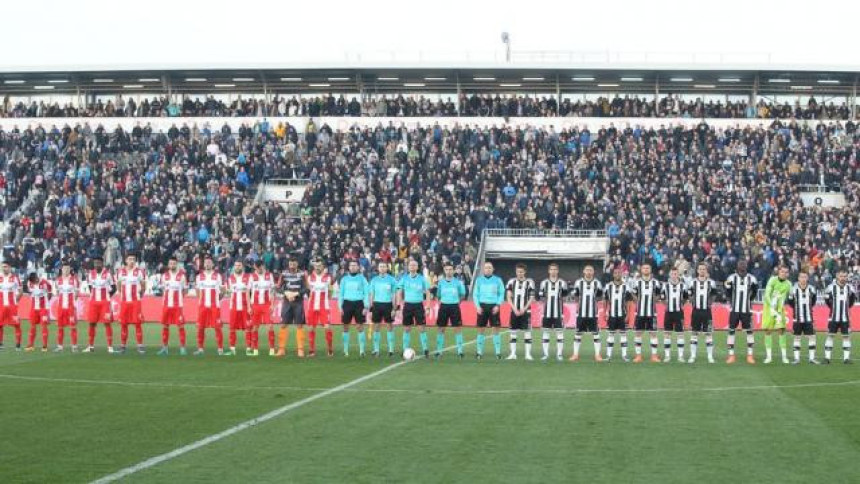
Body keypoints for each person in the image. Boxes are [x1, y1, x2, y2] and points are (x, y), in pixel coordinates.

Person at [724, 260, 758, 364]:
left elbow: (754, 292)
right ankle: (731, 355)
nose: (742, 266)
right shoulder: (731, 278)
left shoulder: (752, 278)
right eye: (740, 264)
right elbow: (728, 292)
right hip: (734, 310)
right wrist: (732, 301)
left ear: (746, 266)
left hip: (746, 310)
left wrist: (748, 300)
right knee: (731, 331)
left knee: (749, 331)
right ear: (737, 266)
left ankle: (750, 355)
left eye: (744, 264)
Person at [397, 259, 432, 358]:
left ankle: (425, 350)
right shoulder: (404, 278)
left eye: (414, 265)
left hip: (418, 306)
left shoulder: (422, 279)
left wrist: (428, 307)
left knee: (421, 328)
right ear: (408, 267)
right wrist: (399, 306)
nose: (412, 267)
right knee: (406, 328)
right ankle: (405, 350)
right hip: (407, 305)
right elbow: (399, 291)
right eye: (410, 265)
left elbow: (428, 293)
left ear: (417, 267)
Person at [473, 261, 506, 359]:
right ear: (483, 269)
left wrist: (498, 305)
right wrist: (477, 307)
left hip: (494, 306)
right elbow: (475, 294)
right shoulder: (479, 280)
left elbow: (501, 293)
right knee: (481, 329)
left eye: (490, 267)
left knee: (496, 329)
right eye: (486, 267)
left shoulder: (498, 280)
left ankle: (498, 352)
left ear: (493, 269)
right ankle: (479, 352)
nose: (488, 269)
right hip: (482, 306)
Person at [571, 265, 603, 362]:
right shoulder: (578, 282)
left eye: (591, 270)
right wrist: (579, 305)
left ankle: (597, 355)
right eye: (587, 270)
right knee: (578, 333)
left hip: (593, 313)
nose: (589, 272)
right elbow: (575, 295)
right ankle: (575, 354)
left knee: (596, 334)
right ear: (584, 271)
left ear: (593, 272)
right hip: (581, 313)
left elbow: (600, 296)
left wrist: (593, 303)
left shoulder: (597, 283)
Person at [434, 262, 467, 358]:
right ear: (444, 271)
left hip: (454, 307)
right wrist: (443, 301)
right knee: (441, 328)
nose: (448, 271)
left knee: (457, 328)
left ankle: (460, 351)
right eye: (446, 269)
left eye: (450, 269)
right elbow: (438, 296)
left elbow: (462, 295)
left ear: (453, 271)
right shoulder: (441, 283)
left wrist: (457, 302)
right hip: (443, 306)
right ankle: (439, 351)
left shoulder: (458, 282)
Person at [631, 262, 662, 363]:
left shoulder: (655, 282)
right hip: (639, 312)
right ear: (641, 270)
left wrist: (654, 300)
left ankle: (654, 356)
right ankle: (638, 356)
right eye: (644, 268)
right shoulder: (637, 282)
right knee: (638, 333)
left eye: (648, 268)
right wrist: (638, 301)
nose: (646, 269)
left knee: (653, 334)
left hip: (652, 312)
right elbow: (633, 294)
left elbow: (658, 294)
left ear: (650, 270)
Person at [84, 256, 115, 353]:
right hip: (93, 302)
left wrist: (107, 296)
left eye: (98, 263)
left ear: (102, 264)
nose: (96, 265)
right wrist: (93, 295)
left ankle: (110, 347)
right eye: (95, 263)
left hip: (104, 302)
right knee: (92, 323)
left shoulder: (108, 274)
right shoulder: (90, 274)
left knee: (107, 323)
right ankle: (90, 346)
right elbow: (89, 286)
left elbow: (114, 288)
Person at [116, 254, 146, 354]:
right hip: (124, 302)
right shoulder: (121, 272)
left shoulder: (139, 272)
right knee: (124, 324)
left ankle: (140, 346)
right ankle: (123, 346)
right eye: (130, 259)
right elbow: (119, 285)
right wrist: (122, 294)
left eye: (133, 259)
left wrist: (140, 295)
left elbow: (143, 285)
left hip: (135, 302)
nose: (131, 261)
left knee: (138, 323)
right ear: (126, 260)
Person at [761, 265, 792, 364]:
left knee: (781, 331)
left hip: (779, 310)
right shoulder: (772, 280)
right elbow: (767, 294)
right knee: (768, 331)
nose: (784, 274)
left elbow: (790, 296)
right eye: (782, 271)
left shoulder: (788, 284)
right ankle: (769, 357)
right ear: (779, 272)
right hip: (769, 309)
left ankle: (784, 357)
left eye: (786, 272)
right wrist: (771, 306)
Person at [823, 269, 855, 364]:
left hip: (846, 318)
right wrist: (833, 308)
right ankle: (827, 358)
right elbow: (827, 301)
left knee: (846, 337)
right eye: (841, 276)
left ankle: (846, 359)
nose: (843, 278)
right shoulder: (830, 288)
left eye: (845, 276)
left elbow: (852, 301)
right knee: (830, 336)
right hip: (833, 317)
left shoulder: (850, 288)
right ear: (837, 276)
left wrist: (845, 309)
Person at [786, 271, 819, 364]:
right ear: (798, 278)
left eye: (805, 277)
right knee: (797, 337)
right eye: (801, 277)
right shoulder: (793, 290)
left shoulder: (812, 289)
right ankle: (797, 359)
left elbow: (813, 302)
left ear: (807, 278)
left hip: (809, 318)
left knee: (812, 337)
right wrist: (797, 309)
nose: (803, 279)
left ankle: (812, 358)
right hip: (797, 318)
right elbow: (790, 302)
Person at [195, 255, 225, 356]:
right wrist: (200, 300)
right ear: (204, 264)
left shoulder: (218, 276)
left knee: (217, 327)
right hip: (202, 306)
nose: (207, 264)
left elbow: (222, 291)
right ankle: (200, 349)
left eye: (209, 262)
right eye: (206, 262)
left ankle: (220, 349)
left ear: (212, 265)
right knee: (200, 327)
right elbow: (198, 291)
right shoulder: (199, 277)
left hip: (214, 306)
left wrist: (217, 299)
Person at [538, 262, 568, 361]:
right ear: (548, 271)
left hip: (558, 312)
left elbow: (564, 296)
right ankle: (545, 354)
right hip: (546, 312)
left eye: (555, 269)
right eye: (551, 269)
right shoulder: (544, 283)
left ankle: (559, 355)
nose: (553, 271)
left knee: (559, 333)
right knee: (546, 333)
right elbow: (541, 297)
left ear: (558, 271)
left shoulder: (562, 283)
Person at [687, 262, 716, 364]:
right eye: (700, 269)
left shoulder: (711, 283)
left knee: (708, 334)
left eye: (704, 269)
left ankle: (710, 356)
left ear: (706, 270)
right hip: (696, 311)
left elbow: (714, 295)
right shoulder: (692, 282)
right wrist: (693, 301)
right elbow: (689, 295)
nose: (702, 270)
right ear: (697, 270)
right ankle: (693, 356)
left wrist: (709, 303)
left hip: (707, 312)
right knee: (694, 333)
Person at [157, 257, 187, 356]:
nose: (172, 265)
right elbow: (162, 290)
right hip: (166, 305)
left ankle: (182, 348)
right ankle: (165, 348)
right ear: (168, 265)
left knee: (180, 326)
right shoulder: (164, 276)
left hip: (178, 305)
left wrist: (179, 299)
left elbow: (184, 290)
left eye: (174, 264)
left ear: (177, 264)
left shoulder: (182, 276)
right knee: (165, 326)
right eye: (171, 264)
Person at [339, 260, 369, 356]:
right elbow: (341, 294)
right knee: (345, 327)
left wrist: (366, 306)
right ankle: (345, 350)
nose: (353, 267)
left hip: (359, 304)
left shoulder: (362, 279)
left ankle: (362, 350)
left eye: (355, 265)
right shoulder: (344, 279)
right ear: (349, 267)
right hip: (347, 303)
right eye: (351, 265)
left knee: (360, 327)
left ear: (358, 267)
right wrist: (340, 306)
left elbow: (366, 293)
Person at [505, 263, 535, 360]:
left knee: (527, 332)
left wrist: (524, 309)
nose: (519, 273)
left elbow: (531, 298)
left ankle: (528, 354)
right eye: (518, 272)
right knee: (513, 332)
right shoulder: (511, 282)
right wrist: (514, 309)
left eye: (521, 272)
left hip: (526, 311)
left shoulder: (530, 282)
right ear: (516, 272)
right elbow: (508, 297)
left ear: (525, 272)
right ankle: (513, 354)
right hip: (514, 311)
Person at [277, 258, 306, 357]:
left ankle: (300, 349)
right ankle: (281, 349)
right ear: (288, 264)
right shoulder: (284, 274)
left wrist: (296, 293)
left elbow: (306, 288)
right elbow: (278, 287)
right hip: (287, 302)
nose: (292, 265)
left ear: (297, 264)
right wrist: (286, 292)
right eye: (290, 264)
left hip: (298, 302)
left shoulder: (302, 274)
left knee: (299, 325)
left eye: (294, 263)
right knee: (283, 324)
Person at [368, 261, 397, 357]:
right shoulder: (374, 280)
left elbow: (394, 295)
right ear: (378, 268)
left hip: (388, 305)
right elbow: (371, 294)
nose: (382, 268)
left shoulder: (392, 280)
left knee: (389, 326)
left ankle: (391, 350)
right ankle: (376, 350)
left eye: (384, 266)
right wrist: (371, 308)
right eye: (380, 266)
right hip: (377, 305)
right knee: (376, 327)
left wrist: (394, 308)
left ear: (387, 268)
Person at [306, 258, 334, 357]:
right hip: (312, 306)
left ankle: (330, 349)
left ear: (323, 267)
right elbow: (309, 291)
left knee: (327, 327)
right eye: (316, 266)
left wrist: (327, 300)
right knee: (311, 328)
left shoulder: (328, 277)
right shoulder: (310, 277)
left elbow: (330, 292)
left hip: (324, 306)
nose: (317, 267)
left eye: (319, 266)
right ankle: (311, 350)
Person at [603, 267, 631, 362]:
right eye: (616, 273)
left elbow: (628, 302)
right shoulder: (608, 286)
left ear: (621, 274)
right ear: (613, 274)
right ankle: (608, 356)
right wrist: (604, 311)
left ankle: (624, 355)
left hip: (622, 314)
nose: (617, 274)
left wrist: (628, 314)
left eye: (619, 273)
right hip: (612, 315)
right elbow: (605, 300)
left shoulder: (626, 286)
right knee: (611, 334)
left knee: (623, 334)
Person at [249, 261, 276, 356]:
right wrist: (249, 306)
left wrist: (272, 304)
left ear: (263, 267)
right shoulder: (252, 277)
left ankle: (272, 349)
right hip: (255, 305)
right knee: (255, 327)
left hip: (266, 305)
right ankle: (255, 350)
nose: (259, 270)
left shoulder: (269, 275)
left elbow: (272, 290)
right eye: (257, 268)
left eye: (261, 268)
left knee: (270, 326)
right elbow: (248, 292)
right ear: (255, 268)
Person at [661, 267, 687, 362]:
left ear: (678, 274)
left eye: (676, 273)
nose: (674, 275)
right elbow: (662, 298)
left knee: (680, 334)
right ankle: (667, 356)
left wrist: (680, 305)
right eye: (672, 273)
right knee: (667, 333)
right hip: (668, 313)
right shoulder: (665, 285)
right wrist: (667, 305)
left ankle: (680, 356)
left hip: (679, 313)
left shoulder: (683, 286)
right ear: (670, 275)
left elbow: (685, 298)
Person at [53, 261, 80, 353]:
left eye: (68, 269)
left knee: (72, 327)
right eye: (64, 268)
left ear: (70, 270)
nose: (66, 270)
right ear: (61, 269)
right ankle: (60, 346)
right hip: (61, 307)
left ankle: (74, 346)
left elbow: (76, 293)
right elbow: (56, 293)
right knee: (60, 327)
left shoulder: (74, 280)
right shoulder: (58, 280)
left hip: (70, 307)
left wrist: (72, 302)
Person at [226, 261, 251, 356]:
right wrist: (225, 291)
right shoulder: (230, 278)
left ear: (242, 267)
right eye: (236, 265)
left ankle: (248, 349)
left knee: (248, 327)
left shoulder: (248, 277)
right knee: (232, 328)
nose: (237, 267)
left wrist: (249, 306)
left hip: (245, 306)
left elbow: (249, 292)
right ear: (234, 267)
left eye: (239, 265)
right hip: (234, 306)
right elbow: (228, 292)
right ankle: (232, 349)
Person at [25, 273, 51, 352]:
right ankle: (31, 345)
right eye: (31, 281)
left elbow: (50, 293)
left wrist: (46, 304)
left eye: (33, 281)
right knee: (32, 326)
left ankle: (44, 345)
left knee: (43, 326)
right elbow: (30, 293)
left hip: (43, 308)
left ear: (36, 278)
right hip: (34, 308)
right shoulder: (29, 283)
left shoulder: (45, 283)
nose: (32, 283)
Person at [0, 262, 22, 351]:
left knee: (16, 325)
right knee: (0, 325)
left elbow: (20, 291)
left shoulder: (15, 278)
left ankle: (18, 345)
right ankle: (0, 344)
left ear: (9, 267)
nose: (3, 268)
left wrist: (16, 301)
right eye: (2, 267)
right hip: (1, 306)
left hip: (12, 306)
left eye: (5, 267)